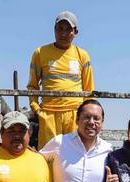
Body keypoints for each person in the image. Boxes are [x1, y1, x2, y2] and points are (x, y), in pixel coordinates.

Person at [27, 11, 94, 148]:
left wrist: (86, 115)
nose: (63, 33)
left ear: (75, 32)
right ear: (54, 30)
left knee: (75, 153)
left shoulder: (82, 55)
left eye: (68, 29)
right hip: (48, 114)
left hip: (75, 113)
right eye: (60, 29)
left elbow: (89, 90)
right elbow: (32, 86)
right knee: (49, 154)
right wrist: (37, 110)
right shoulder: (40, 53)